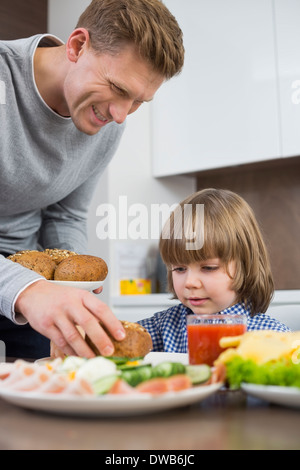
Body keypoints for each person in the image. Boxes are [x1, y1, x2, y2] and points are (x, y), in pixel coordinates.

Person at [0, 0, 184, 359]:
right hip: (29, 283)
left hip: (33, 275)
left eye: (137, 101)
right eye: (117, 87)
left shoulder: (108, 123)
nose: (120, 115)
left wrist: (72, 284)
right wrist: (27, 290)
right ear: (77, 46)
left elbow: (64, 215)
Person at [138, 188, 291, 352]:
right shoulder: (166, 324)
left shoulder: (272, 338)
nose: (190, 282)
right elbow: (117, 342)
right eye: (180, 268)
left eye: (208, 268)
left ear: (245, 266)